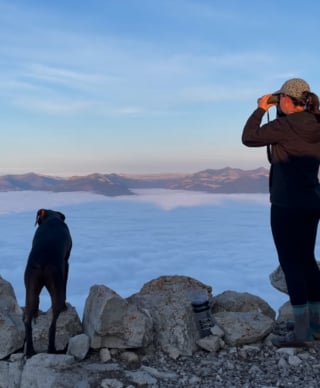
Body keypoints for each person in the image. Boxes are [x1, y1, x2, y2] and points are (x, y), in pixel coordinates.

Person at [242, 78, 320, 348]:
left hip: (287, 204)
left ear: (288, 99)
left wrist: (262, 109)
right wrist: (279, 110)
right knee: (308, 260)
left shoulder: (284, 126)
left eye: (280, 98)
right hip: (312, 201)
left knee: (291, 264)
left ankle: (301, 334)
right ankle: (316, 324)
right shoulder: (316, 122)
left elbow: (249, 137)